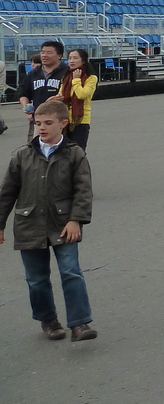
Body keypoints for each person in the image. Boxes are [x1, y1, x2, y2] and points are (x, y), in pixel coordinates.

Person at [0, 99, 98, 342]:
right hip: (29, 224)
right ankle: (49, 319)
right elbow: (7, 192)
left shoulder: (75, 154)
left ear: (63, 124)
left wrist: (77, 219)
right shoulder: (23, 155)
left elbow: (83, 190)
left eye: (48, 123)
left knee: (71, 272)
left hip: (64, 224)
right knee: (36, 279)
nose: (41, 127)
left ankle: (79, 324)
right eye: (38, 123)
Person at [19, 42, 68, 141]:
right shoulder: (33, 74)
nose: (44, 55)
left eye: (49, 53)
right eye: (43, 52)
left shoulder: (67, 72)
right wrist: (25, 104)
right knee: (36, 149)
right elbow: (23, 93)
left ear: (59, 56)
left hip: (60, 119)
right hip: (39, 120)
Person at [56, 49, 97, 151]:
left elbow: (81, 95)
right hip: (64, 119)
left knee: (77, 151)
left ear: (83, 60)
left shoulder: (91, 78)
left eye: (75, 58)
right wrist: (59, 98)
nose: (71, 61)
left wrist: (76, 80)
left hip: (80, 120)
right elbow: (60, 94)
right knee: (63, 150)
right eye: (69, 58)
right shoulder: (66, 77)